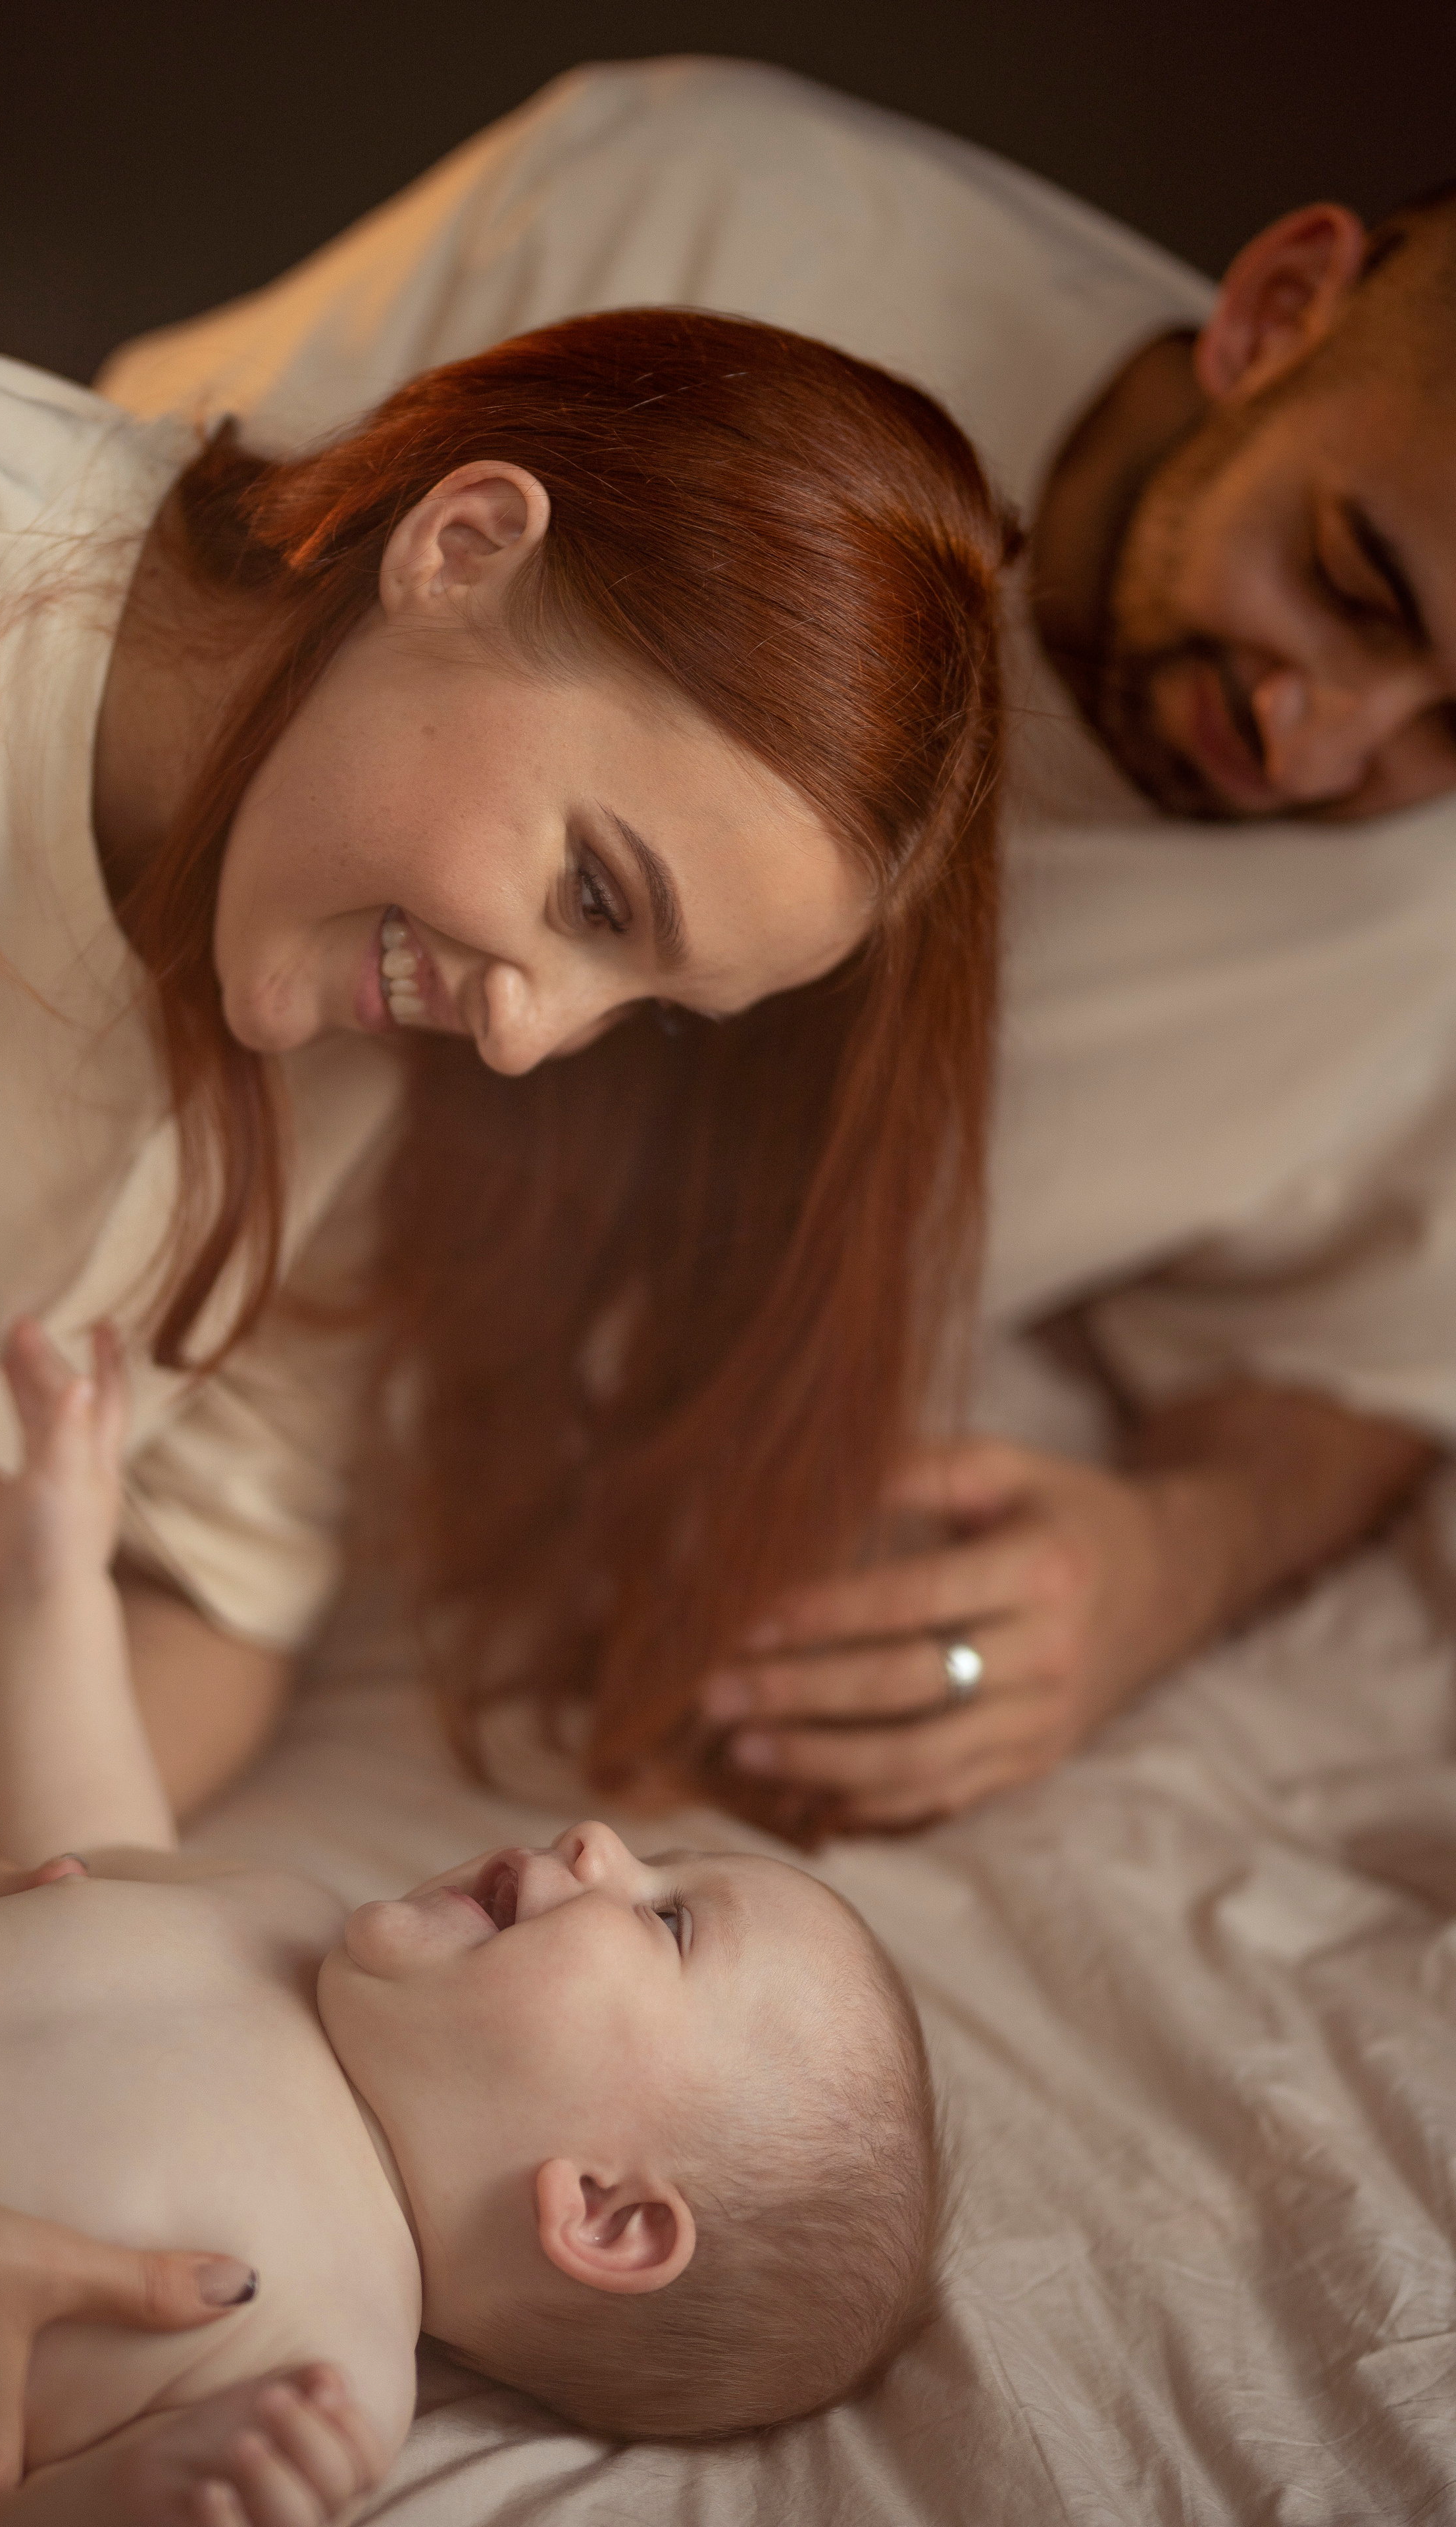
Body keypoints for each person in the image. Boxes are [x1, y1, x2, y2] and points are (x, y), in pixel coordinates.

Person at [0, 300, 999, 2511]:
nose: (535, 1042)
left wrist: (0, 1823)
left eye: (643, 1003)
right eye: (596, 888)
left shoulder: (353, 991)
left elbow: (210, 1604)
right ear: (465, 543)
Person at [99, 55, 1456, 1831]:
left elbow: (1379, 1347)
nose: (1324, 742)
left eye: (1453, 735)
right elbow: (127, 599)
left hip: (294, 1518)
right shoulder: (698, 216)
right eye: (1349, 583)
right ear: (1275, 313)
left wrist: (1171, 1560)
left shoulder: (1423, 934)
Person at [0, 1319, 937, 2523]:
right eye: (663, 1860)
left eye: (669, 1923)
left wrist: (128, 2493)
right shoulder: (281, 1916)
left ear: (604, 2213)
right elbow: (79, 1835)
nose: (600, 1844)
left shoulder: (317, 2364)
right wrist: (54, 1587)